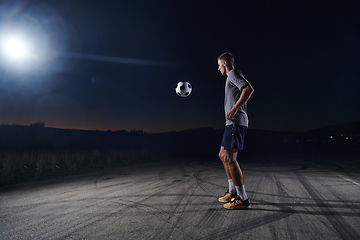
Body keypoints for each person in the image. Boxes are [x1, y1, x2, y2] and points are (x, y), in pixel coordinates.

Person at [217, 52, 254, 210]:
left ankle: (243, 199)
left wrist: (234, 108)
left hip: (236, 122)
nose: (218, 68)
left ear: (225, 63)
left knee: (230, 159)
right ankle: (232, 192)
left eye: (219, 65)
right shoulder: (230, 77)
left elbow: (248, 89)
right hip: (230, 123)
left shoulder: (234, 73)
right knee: (222, 155)